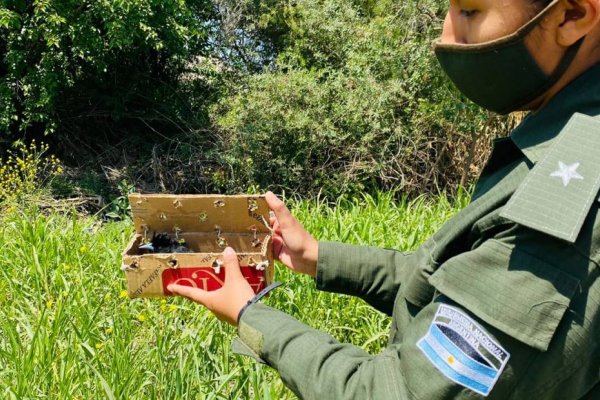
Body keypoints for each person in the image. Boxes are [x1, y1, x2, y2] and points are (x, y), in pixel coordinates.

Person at [169, 0, 600, 398]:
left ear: (572, 15)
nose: (446, 36)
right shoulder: (565, 136)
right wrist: (317, 256)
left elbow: (397, 391)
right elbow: (446, 281)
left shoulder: (570, 196)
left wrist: (250, 315)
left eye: (470, 10)